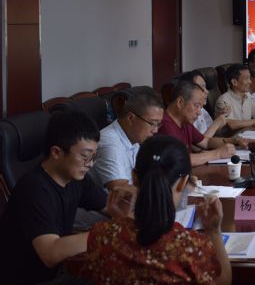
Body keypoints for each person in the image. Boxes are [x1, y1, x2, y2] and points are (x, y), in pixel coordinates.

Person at [0, 110, 134, 284]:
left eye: (93, 156)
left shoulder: (76, 179)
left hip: (57, 271)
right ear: (56, 152)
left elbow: (109, 206)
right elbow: (50, 253)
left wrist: (123, 212)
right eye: (85, 156)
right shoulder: (34, 190)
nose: (90, 164)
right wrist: (105, 232)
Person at [80, 135, 232, 285]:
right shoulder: (191, 246)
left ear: (134, 177)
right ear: (183, 182)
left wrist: (120, 222)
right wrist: (214, 231)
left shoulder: (101, 235)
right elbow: (223, 281)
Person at [92, 87, 164, 191]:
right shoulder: (110, 142)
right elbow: (121, 191)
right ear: (131, 118)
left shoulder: (134, 137)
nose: (156, 130)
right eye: (152, 123)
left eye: (158, 124)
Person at [158, 78, 236, 167]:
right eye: (197, 105)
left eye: (201, 107)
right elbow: (181, 159)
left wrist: (235, 141)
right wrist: (218, 154)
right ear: (180, 102)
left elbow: (206, 142)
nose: (199, 112)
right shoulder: (164, 124)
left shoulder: (185, 122)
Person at [215, 64, 255, 135]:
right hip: (230, 138)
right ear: (234, 82)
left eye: (249, 78)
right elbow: (231, 124)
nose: (250, 82)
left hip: (247, 134)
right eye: (246, 78)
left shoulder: (247, 95)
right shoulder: (223, 100)